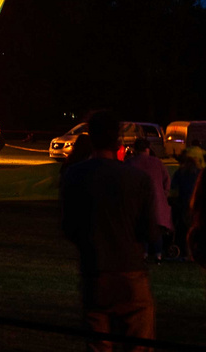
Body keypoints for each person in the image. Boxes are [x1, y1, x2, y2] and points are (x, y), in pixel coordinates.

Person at [60, 110, 157, 349]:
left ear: (91, 137)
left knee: (99, 344)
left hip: (95, 272)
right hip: (131, 273)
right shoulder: (137, 178)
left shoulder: (74, 175)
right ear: (118, 139)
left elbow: (69, 227)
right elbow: (150, 233)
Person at [124, 138, 171, 261]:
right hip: (156, 200)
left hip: (137, 201)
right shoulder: (157, 162)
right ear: (147, 149)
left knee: (141, 228)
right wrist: (164, 194)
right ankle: (158, 254)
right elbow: (166, 180)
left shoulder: (130, 163)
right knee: (157, 229)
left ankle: (143, 253)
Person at [171, 154, 199, 262]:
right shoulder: (198, 173)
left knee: (184, 229)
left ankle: (185, 252)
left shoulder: (180, 173)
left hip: (183, 204)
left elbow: (173, 188)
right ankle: (194, 254)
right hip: (196, 204)